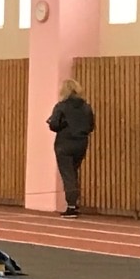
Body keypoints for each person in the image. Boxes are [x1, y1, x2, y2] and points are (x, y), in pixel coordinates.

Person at [49, 78, 94, 216]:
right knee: (73, 173)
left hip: (64, 143)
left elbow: (54, 125)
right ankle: (75, 202)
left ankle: (71, 205)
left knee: (68, 175)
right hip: (81, 143)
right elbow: (91, 126)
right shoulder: (86, 107)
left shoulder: (61, 106)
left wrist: (62, 124)